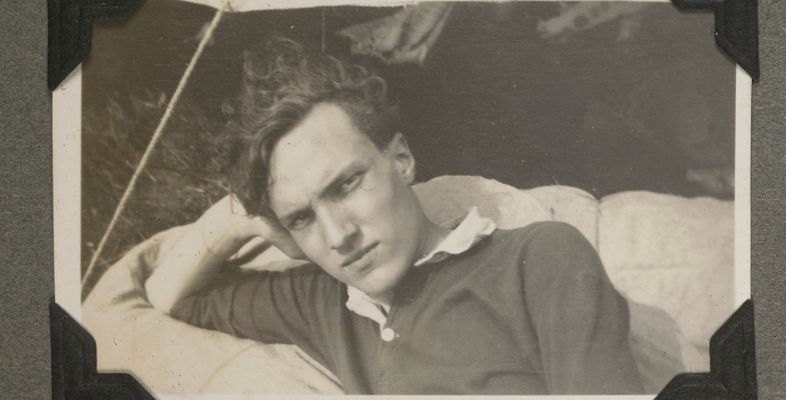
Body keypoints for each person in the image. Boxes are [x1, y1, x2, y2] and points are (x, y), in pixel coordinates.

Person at [144, 37, 644, 395]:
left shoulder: (537, 261)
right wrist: (245, 218)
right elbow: (170, 296)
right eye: (301, 218)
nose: (338, 235)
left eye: (346, 185)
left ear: (401, 159)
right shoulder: (321, 300)